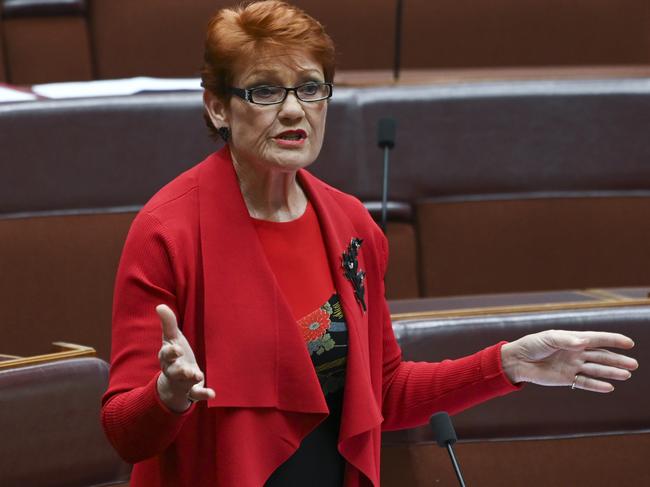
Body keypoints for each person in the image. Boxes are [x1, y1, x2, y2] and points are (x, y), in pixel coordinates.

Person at [101, 2, 639, 486]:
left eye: (310, 88)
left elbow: (381, 392)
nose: (294, 110)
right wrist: (167, 398)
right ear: (219, 107)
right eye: (265, 90)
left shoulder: (349, 223)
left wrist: (508, 364)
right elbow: (125, 433)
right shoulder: (167, 232)